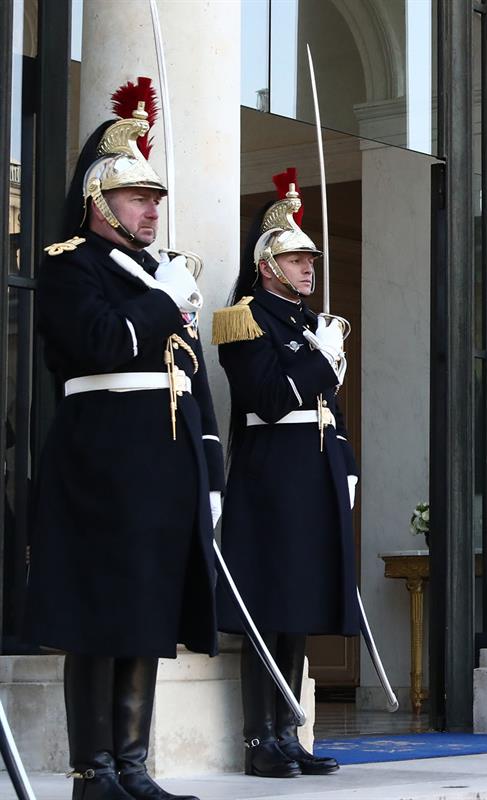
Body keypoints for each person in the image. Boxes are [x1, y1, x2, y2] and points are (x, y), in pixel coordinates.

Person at [24, 78, 220, 800]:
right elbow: (103, 343)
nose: (152, 209)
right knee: (100, 614)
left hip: (163, 463)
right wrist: (162, 299)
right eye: (139, 197)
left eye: (156, 199)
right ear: (100, 201)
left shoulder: (155, 273)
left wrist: (211, 467)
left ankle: (135, 766)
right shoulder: (68, 263)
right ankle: (94, 770)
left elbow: (189, 376)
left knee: (148, 611)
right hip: (101, 459)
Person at [210, 169, 357, 778]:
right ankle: (258, 741)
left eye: (310, 258)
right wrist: (324, 361)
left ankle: (289, 730)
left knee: (297, 608)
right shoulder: (245, 318)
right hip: (271, 476)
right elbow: (269, 398)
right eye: (296, 258)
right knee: (268, 609)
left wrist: (344, 463)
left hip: (313, 473)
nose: (308, 267)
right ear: (267, 263)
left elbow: (332, 410)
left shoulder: (303, 322)